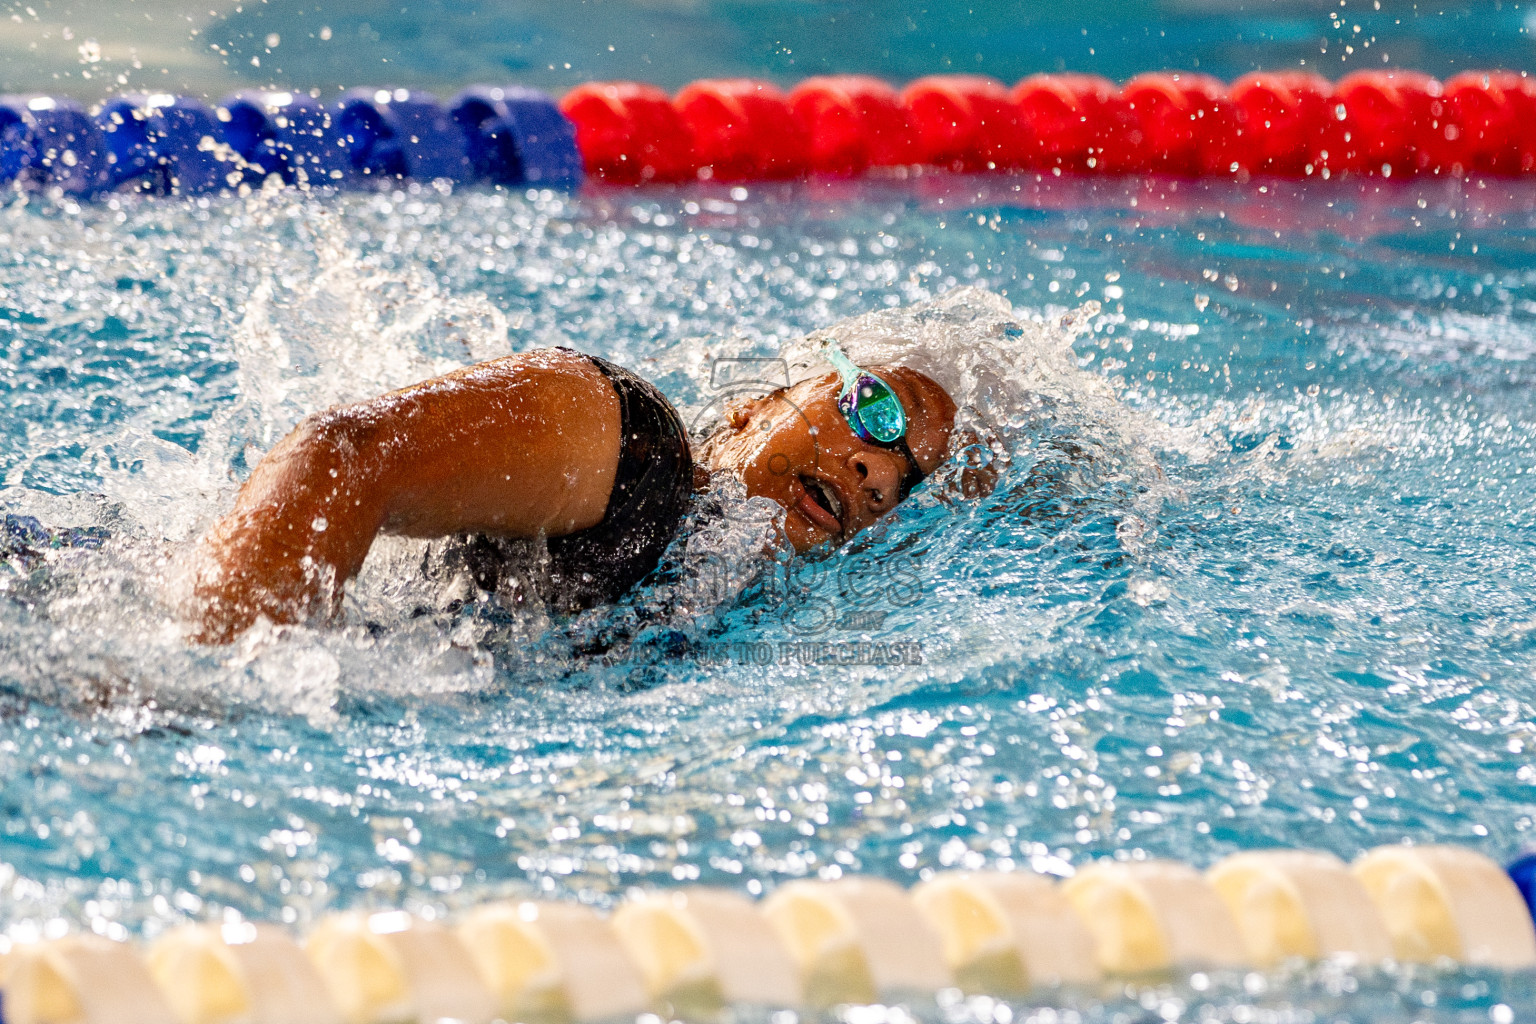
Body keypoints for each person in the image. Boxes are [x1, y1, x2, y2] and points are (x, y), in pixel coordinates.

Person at [186, 342, 957, 643]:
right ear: (756, 406)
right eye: (876, 412)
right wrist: (209, 671)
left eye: (908, 484)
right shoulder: (630, 446)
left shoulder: (739, 618)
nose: (876, 474)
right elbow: (344, 454)